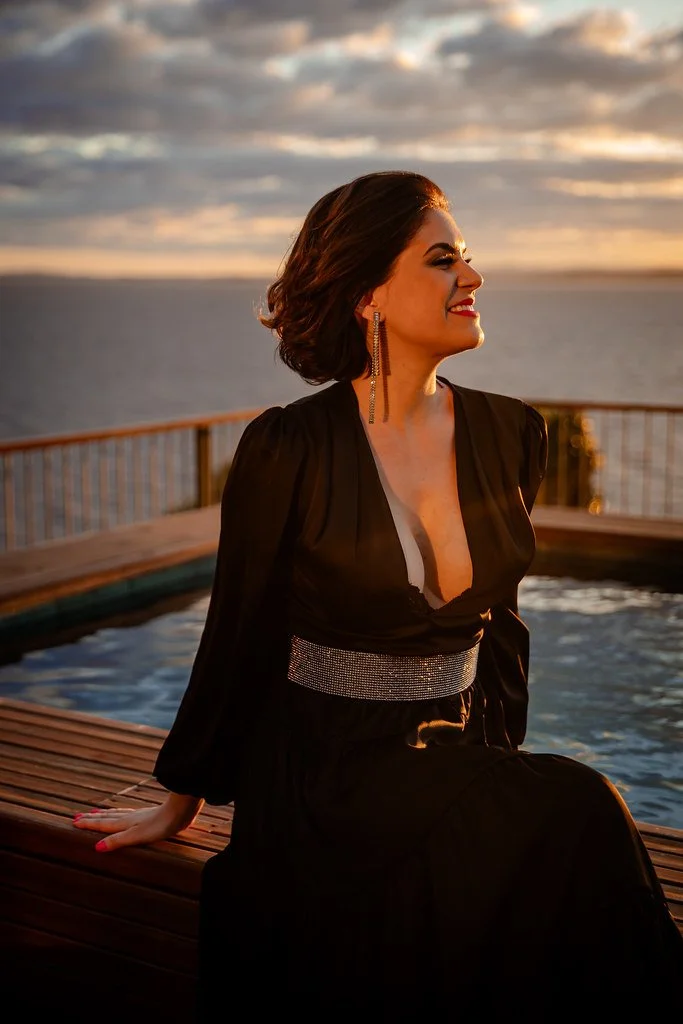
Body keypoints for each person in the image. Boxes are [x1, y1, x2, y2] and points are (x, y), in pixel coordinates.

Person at [73, 171, 683, 1019]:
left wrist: (497, 766)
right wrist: (184, 793)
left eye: (465, 258)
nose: (470, 278)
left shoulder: (512, 431)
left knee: (558, 818)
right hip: (323, 771)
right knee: (579, 807)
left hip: (450, 755)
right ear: (368, 295)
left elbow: (498, 628)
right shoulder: (287, 445)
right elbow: (238, 628)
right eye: (442, 260)